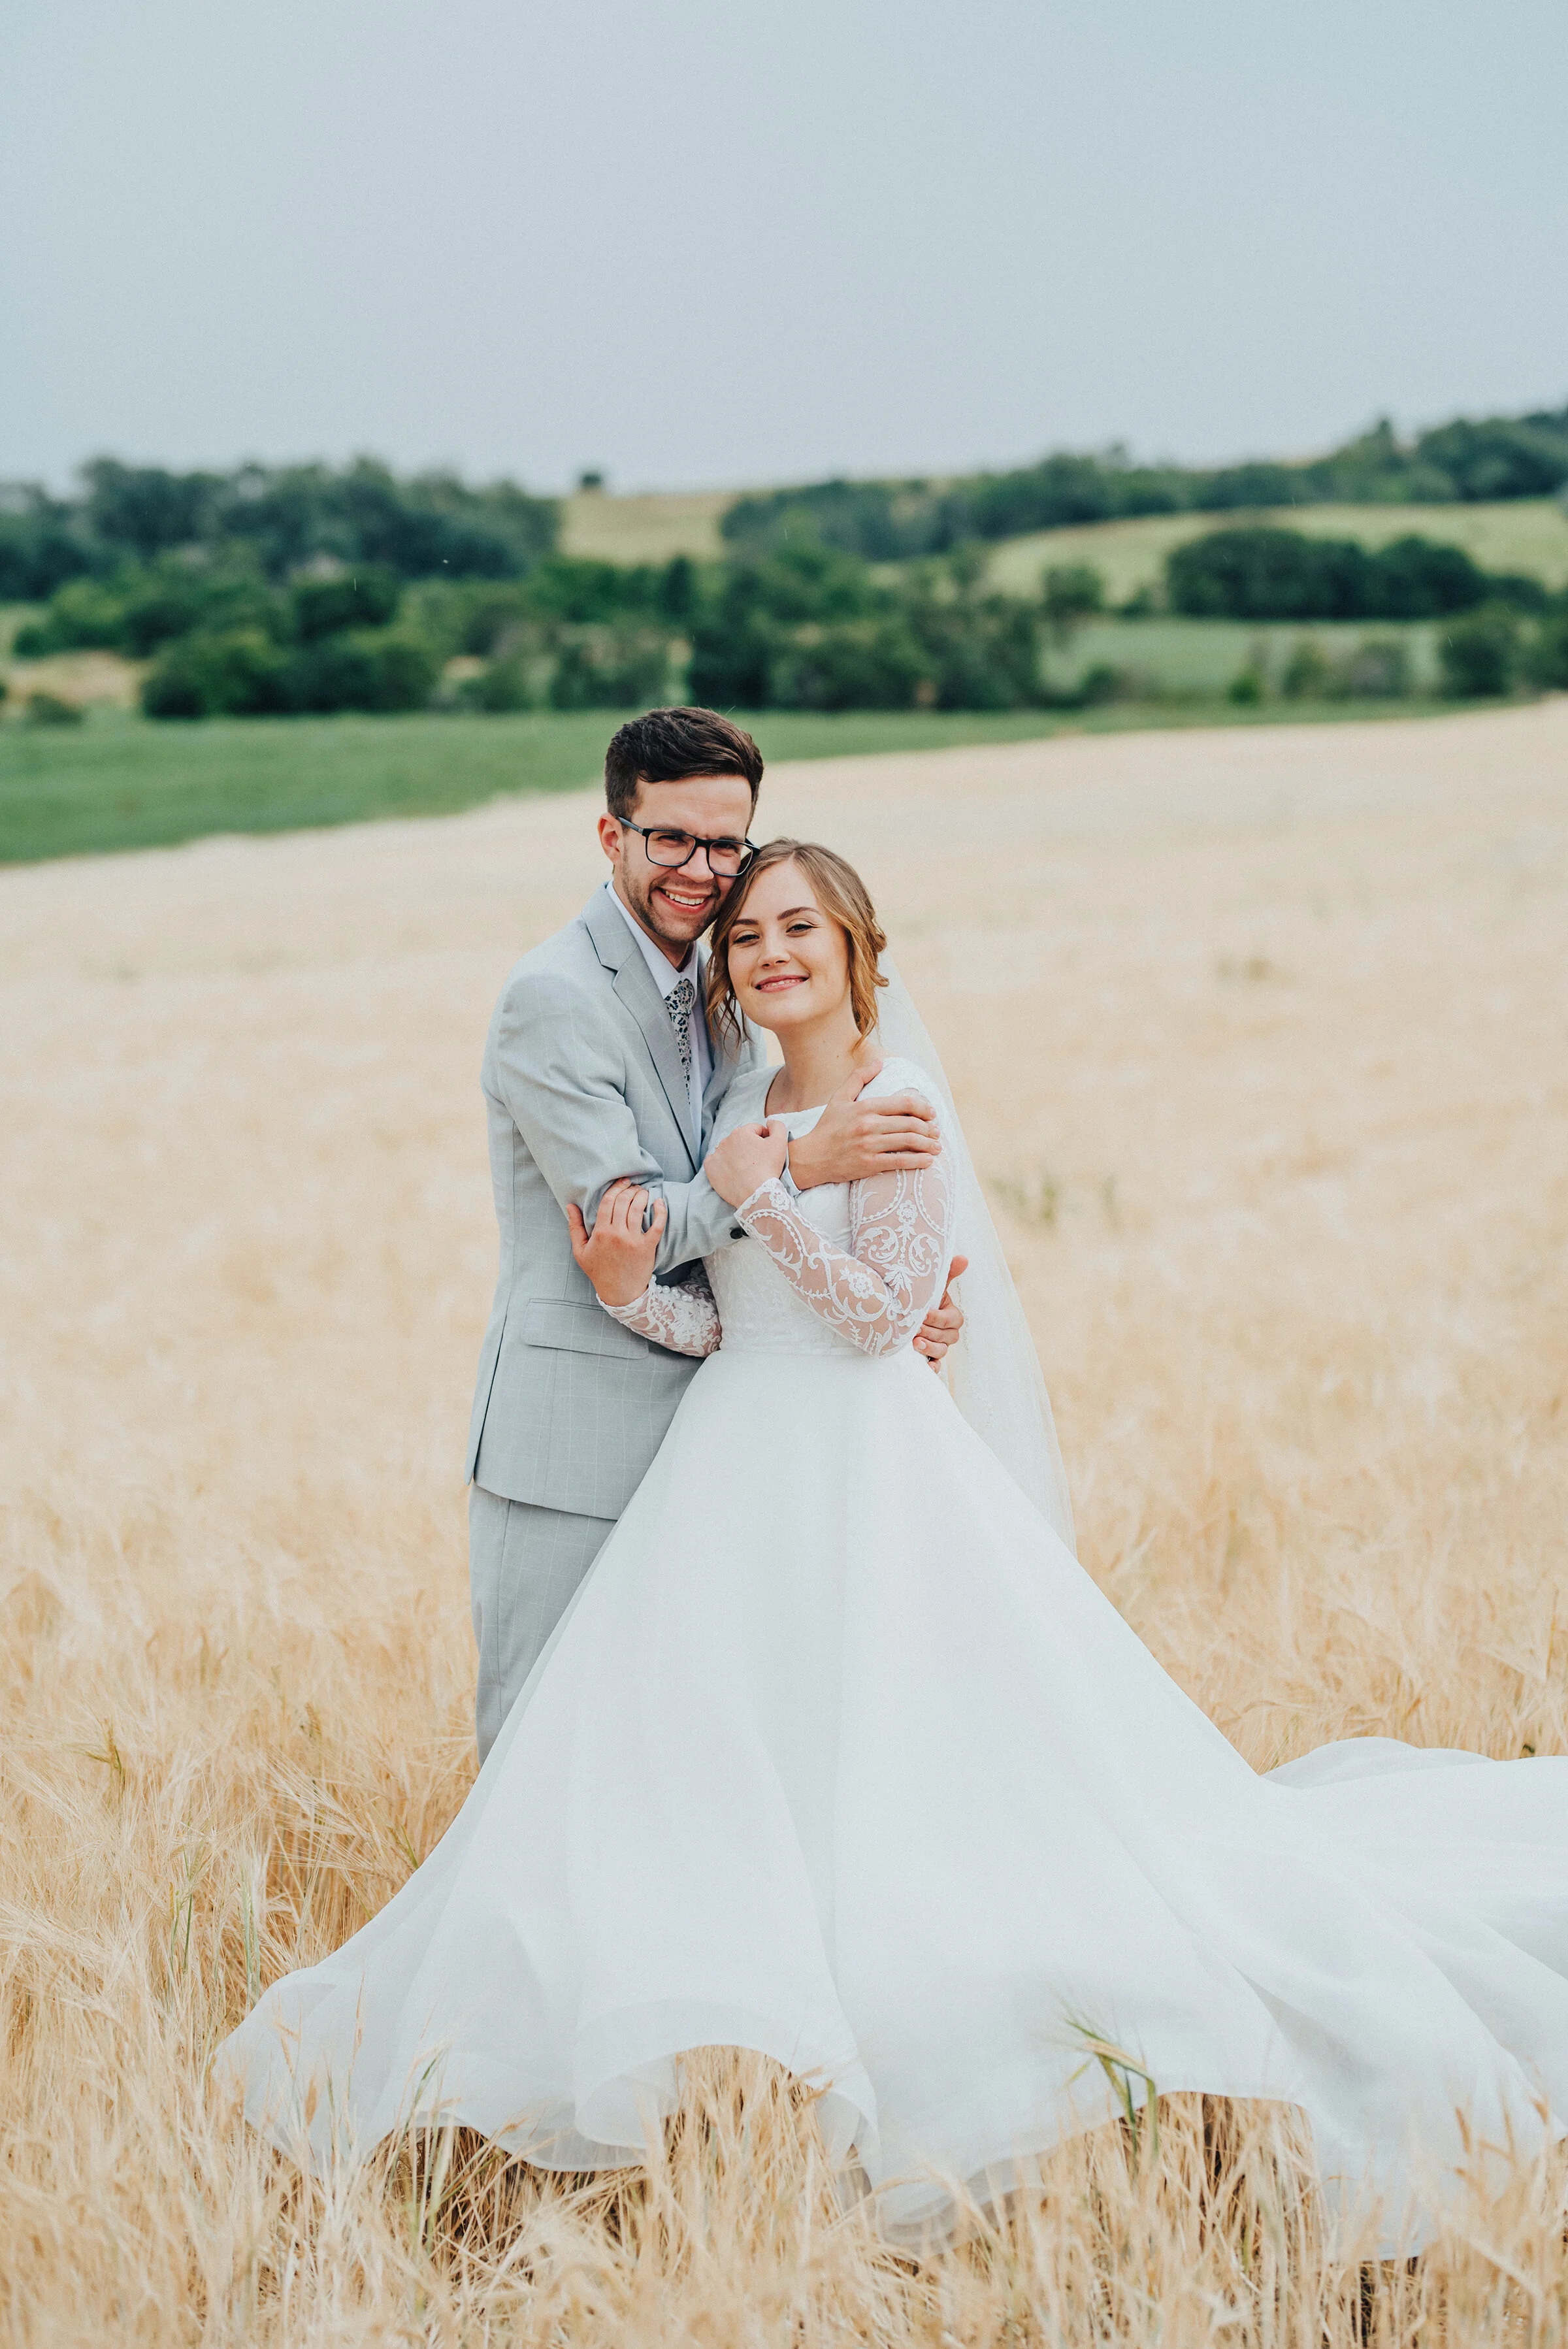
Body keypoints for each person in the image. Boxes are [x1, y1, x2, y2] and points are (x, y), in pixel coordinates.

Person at [221, 841, 1568, 2252]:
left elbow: (875, 1320)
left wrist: (764, 1198)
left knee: (897, 1757)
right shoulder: (744, 1101)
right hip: (732, 1467)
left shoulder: (898, 1104)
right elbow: (732, 1322)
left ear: (859, 945)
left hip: (868, 1476)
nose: (769, 955)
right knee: (725, 1755)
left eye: (798, 928)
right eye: (747, 937)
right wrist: (634, 1290)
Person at [463, 706, 964, 1757]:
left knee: (703, 1761)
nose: (701, 867)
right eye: (671, 838)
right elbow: (632, 1222)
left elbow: (776, 1216)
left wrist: (890, 1296)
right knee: (546, 1751)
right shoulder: (553, 997)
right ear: (614, 836)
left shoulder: (729, 991)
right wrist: (806, 1167)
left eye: (724, 842)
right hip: (580, 1439)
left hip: (735, 1439)